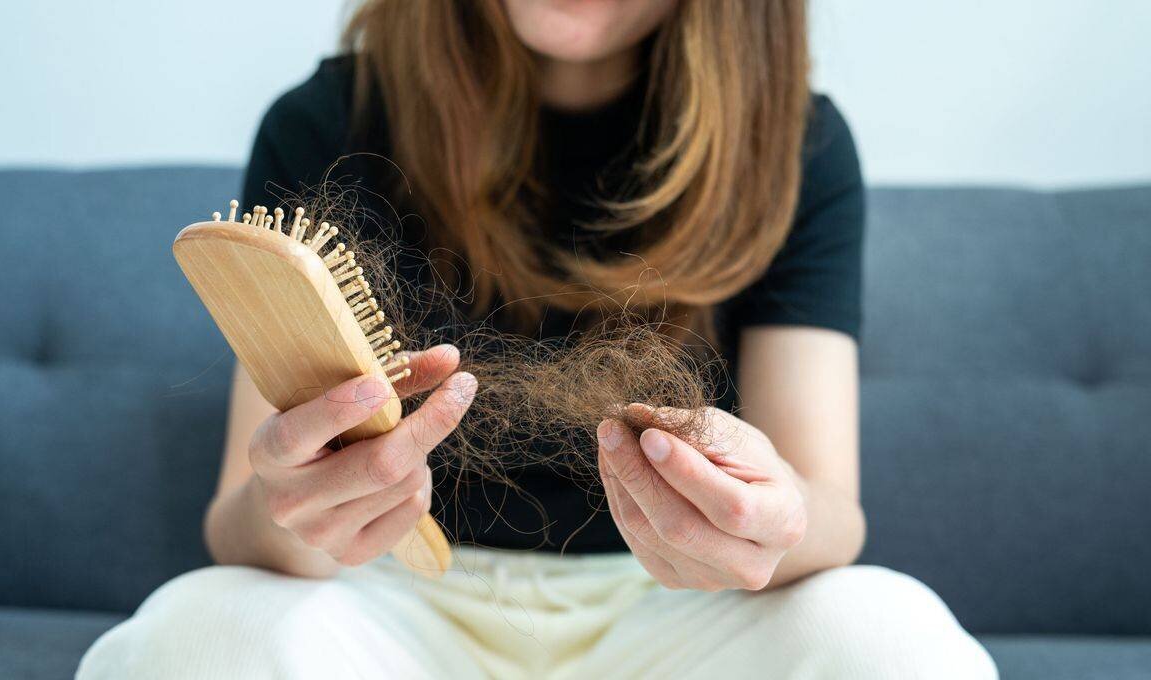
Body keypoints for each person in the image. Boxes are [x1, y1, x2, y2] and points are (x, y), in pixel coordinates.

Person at [79, 1, 996, 677]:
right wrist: (296, 508)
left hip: (682, 613)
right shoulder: (325, 123)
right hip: (387, 606)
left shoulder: (797, 145)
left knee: (892, 636)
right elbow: (239, 522)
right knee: (188, 637)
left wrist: (774, 516)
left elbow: (834, 516)